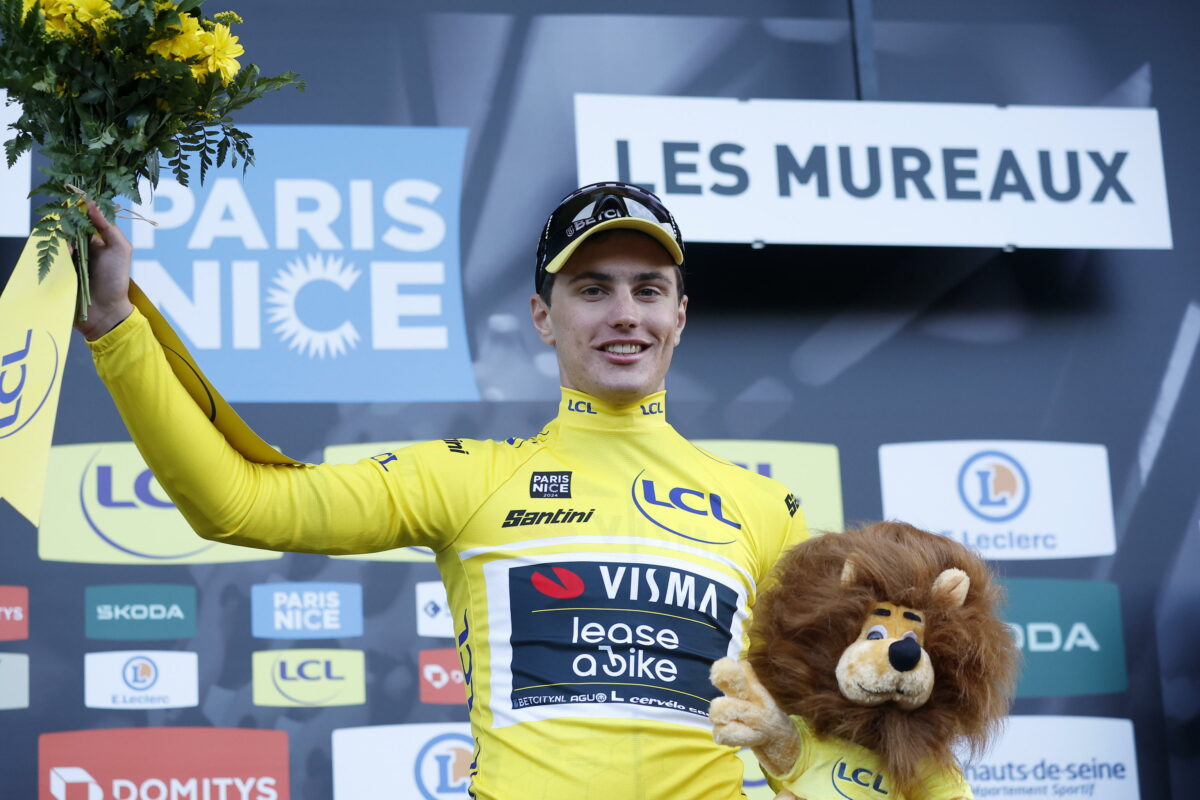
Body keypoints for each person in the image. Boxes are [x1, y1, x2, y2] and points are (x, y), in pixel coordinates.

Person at [76, 181, 809, 799]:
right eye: (593, 289)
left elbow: (817, 735)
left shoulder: (765, 509)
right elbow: (235, 504)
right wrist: (117, 326)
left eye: (648, 290)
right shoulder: (468, 478)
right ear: (543, 318)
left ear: (678, 316)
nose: (625, 314)